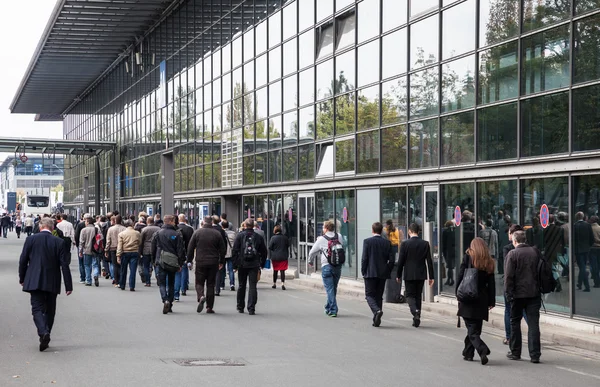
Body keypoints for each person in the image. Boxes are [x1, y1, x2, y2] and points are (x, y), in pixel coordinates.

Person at [19, 217, 73, 352]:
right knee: (50, 310)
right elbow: (64, 265)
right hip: (52, 280)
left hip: (34, 279)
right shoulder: (59, 242)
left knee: (36, 308)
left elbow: (23, 260)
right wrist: (68, 285)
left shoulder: (31, 239)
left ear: (40, 226)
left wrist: (22, 277)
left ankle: (43, 332)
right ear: (53, 228)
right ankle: (46, 331)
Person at [456, 238, 496, 365]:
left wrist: (457, 292)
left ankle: (482, 349)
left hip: (468, 297)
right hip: (482, 299)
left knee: (472, 330)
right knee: (475, 329)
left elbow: (461, 276)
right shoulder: (489, 261)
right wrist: (491, 300)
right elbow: (491, 284)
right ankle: (468, 353)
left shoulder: (468, 257)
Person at [504, 230, 542, 363]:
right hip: (534, 293)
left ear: (514, 241)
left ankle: (515, 352)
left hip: (517, 294)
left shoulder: (512, 254)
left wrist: (508, 293)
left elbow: (508, 276)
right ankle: (535, 354)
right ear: (525, 240)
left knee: (515, 322)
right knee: (533, 324)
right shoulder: (535, 252)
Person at [396, 223, 435, 328]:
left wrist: (398, 274)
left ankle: (415, 311)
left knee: (409, 295)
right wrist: (431, 276)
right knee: (418, 295)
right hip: (421, 273)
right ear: (418, 232)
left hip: (409, 273)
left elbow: (401, 261)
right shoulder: (425, 244)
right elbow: (429, 261)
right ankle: (417, 316)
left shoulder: (405, 244)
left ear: (409, 231)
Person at [187, 216, 226, 314]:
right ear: (212, 222)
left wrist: (189, 260)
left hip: (201, 261)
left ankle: (201, 296)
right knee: (211, 284)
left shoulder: (197, 233)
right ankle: (209, 307)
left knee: (199, 282)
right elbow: (222, 249)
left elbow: (190, 248)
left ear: (203, 222)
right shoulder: (217, 234)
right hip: (213, 262)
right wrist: (221, 261)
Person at [362, 222, 394, 327]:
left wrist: (363, 271)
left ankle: (377, 311)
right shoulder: (387, 243)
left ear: (372, 230)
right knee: (379, 296)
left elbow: (364, 258)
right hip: (382, 273)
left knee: (369, 295)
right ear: (381, 231)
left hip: (370, 273)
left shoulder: (367, 242)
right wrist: (387, 270)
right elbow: (392, 260)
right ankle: (376, 319)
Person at [232, 219, 268, 315]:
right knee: (253, 286)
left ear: (244, 225)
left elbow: (235, 250)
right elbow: (264, 251)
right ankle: (251, 308)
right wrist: (262, 264)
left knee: (241, 285)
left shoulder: (240, 236)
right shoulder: (258, 237)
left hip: (242, 263)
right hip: (254, 264)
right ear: (253, 226)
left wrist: (235, 265)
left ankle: (240, 306)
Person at [152, 215, 186, 314]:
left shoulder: (158, 233)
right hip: (172, 262)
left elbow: (153, 248)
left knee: (162, 283)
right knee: (171, 283)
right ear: (171, 222)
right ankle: (170, 304)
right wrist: (180, 263)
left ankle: (165, 299)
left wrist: (153, 260)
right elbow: (180, 250)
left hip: (160, 261)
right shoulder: (176, 234)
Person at [309, 220, 344, 317]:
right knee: (333, 288)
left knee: (329, 288)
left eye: (323, 227)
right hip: (337, 265)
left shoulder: (321, 239)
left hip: (326, 266)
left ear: (326, 228)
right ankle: (328, 307)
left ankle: (333, 309)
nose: (323, 229)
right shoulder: (339, 236)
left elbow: (312, 252)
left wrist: (310, 261)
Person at [117, 219, 141, 291]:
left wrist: (118, 255)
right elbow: (139, 242)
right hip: (134, 252)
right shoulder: (137, 233)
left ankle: (122, 285)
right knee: (133, 270)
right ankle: (132, 286)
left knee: (123, 270)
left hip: (125, 252)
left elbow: (119, 245)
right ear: (132, 224)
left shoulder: (121, 234)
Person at [573, 211, 594, 292]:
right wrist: (589, 246)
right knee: (583, 266)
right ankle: (585, 286)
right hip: (586, 249)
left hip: (578, 250)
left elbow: (573, 239)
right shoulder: (588, 225)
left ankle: (580, 282)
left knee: (582, 267)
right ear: (583, 217)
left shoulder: (574, 226)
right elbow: (591, 238)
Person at [175, 214, 194, 298]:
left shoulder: (176, 228)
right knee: (185, 270)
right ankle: (184, 288)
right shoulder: (190, 229)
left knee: (178, 272)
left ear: (178, 219)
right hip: (187, 252)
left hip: (177, 252)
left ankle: (177, 289)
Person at [139, 216, 160, 287]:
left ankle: (148, 281)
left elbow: (141, 241)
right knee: (156, 265)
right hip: (156, 249)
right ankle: (158, 279)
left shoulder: (144, 230)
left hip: (146, 249)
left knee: (146, 266)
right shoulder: (158, 229)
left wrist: (140, 251)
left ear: (147, 222)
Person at [79, 216, 99, 287]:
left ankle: (88, 280)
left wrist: (80, 251)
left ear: (87, 222)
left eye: (85, 221)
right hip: (95, 250)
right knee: (95, 265)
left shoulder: (83, 230)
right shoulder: (96, 229)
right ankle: (96, 275)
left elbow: (81, 242)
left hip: (86, 250)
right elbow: (100, 238)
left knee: (87, 265)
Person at [106, 215, 126, 287]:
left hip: (113, 248)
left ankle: (116, 281)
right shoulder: (124, 229)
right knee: (121, 265)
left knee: (115, 265)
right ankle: (121, 280)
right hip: (122, 249)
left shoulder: (110, 229)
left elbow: (108, 241)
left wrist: (106, 250)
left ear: (114, 221)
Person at [212, 215, 229, 296]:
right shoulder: (221, 231)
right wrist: (223, 254)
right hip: (218, 254)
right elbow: (224, 244)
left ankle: (211, 287)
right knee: (218, 272)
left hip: (209, 253)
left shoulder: (208, 229)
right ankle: (217, 289)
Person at [269, 225, 290, 290]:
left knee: (275, 270)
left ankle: (274, 283)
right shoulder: (285, 238)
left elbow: (270, 247)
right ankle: (282, 283)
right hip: (283, 256)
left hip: (275, 256)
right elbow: (288, 245)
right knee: (282, 270)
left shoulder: (273, 238)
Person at [221, 221, 237, 291]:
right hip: (230, 253)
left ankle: (222, 284)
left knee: (222, 269)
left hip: (223, 253)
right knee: (231, 270)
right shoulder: (233, 234)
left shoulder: (221, 233)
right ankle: (232, 284)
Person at [442, 220, 457, 286]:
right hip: (455, 250)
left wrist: (443, 252)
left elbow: (443, 243)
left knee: (449, 266)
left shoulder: (445, 232)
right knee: (450, 266)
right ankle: (450, 279)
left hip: (448, 250)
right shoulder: (455, 231)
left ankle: (451, 280)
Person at [590, 216, 600, 288]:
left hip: (592, 248)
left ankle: (596, 282)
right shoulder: (599, 228)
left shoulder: (590, 228)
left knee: (594, 265)